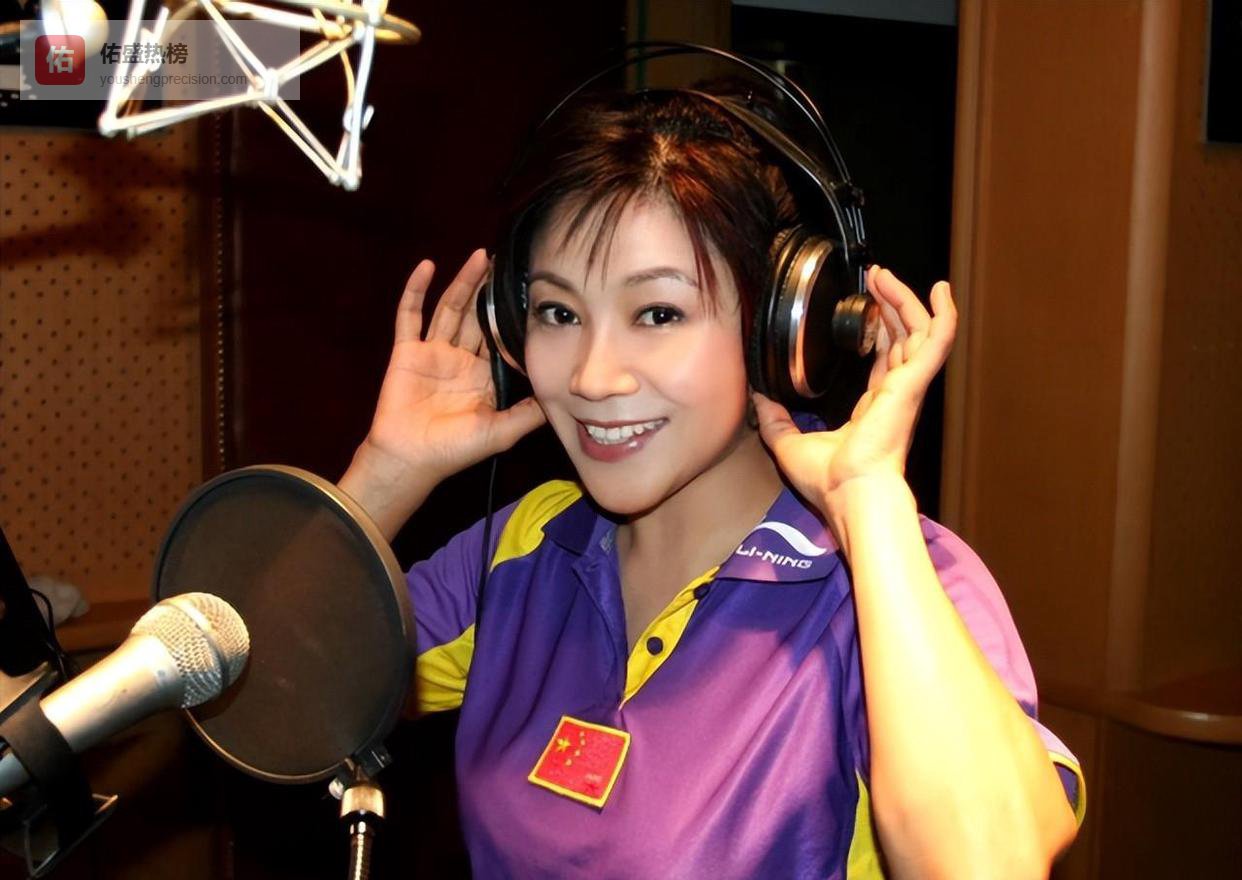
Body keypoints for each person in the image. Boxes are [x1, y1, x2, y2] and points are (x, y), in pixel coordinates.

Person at [339, 87, 1084, 878]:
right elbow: (259, 685)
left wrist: (868, 499)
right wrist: (387, 473)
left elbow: (988, 862)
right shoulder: (524, 545)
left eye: (658, 314)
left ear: (780, 330)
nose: (592, 376)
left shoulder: (895, 578)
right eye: (559, 313)